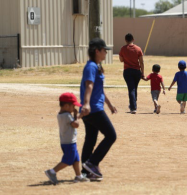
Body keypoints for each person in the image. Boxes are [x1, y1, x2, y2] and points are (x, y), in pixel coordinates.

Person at [79, 38, 117, 181]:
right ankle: (92, 163)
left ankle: (85, 172)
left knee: (90, 139)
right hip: (93, 109)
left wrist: (109, 104)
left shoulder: (96, 66)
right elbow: (89, 85)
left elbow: (99, 89)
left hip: (92, 108)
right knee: (111, 135)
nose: (106, 53)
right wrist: (87, 104)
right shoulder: (91, 67)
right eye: (104, 50)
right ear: (97, 51)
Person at [45, 92, 90, 185]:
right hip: (69, 142)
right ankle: (52, 171)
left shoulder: (61, 114)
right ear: (66, 106)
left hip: (66, 142)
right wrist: (78, 116)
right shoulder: (67, 115)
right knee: (68, 160)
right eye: (73, 106)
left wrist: (78, 115)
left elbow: (72, 122)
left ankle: (78, 176)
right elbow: (76, 124)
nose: (74, 108)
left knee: (76, 159)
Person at [119, 33, 144, 114]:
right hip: (137, 71)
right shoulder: (138, 49)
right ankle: (133, 104)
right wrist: (142, 73)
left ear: (125, 40)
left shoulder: (123, 49)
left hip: (127, 71)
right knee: (134, 88)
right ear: (133, 39)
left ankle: (133, 107)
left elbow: (121, 60)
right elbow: (141, 62)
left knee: (131, 89)